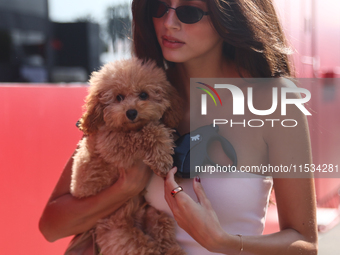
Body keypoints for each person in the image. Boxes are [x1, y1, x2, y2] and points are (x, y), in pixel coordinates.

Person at [39, 0, 318, 254]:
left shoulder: (275, 99)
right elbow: (51, 227)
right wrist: (124, 188)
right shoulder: (135, 94)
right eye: (160, 7)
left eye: (189, 12)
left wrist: (222, 241)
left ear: (229, 15)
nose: (168, 22)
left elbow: (305, 244)